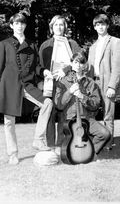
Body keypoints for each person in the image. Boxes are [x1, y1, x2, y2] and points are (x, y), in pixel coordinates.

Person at [0, 12, 53, 165]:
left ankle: (38, 140)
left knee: (48, 104)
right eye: (17, 23)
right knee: (8, 121)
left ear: (25, 25)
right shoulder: (4, 44)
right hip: (9, 84)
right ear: (11, 25)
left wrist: (44, 71)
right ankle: (12, 154)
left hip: (27, 84)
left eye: (22, 23)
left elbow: (37, 66)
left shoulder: (32, 44)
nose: (20, 26)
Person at [54, 51, 111, 160]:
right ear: (71, 63)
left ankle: (89, 153)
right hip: (68, 121)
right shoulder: (63, 82)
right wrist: (69, 92)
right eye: (76, 62)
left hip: (86, 119)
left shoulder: (90, 82)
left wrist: (82, 96)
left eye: (81, 63)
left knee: (105, 133)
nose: (78, 65)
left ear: (85, 65)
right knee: (65, 153)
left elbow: (95, 104)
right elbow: (58, 105)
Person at [38, 15, 80, 147]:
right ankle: (50, 146)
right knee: (50, 116)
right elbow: (39, 65)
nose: (58, 27)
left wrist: (66, 69)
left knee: (64, 116)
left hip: (67, 84)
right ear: (51, 27)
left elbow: (80, 60)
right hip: (51, 84)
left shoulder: (72, 44)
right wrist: (44, 71)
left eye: (61, 24)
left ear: (65, 27)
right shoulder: (45, 45)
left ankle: (62, 147)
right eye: (56, 25)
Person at [88, 13, 120, 150]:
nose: (100, 27)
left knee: (108, 115)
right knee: (90, 113)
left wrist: (112, 86)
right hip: (94, 83)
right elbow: (89, 69)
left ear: (107, 25)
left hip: (107, 83)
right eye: (97, 25)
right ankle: (95, 141)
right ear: (95, 27)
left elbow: (118, 66)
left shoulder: (115, 42)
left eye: (103, 24)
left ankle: (108, 145)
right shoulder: (92, 47)